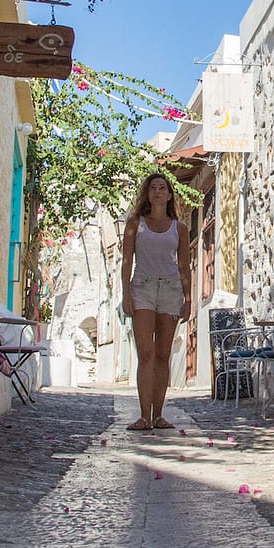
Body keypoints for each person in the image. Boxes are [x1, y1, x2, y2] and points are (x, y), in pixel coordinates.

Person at [120, 172, 191, 430]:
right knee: (146, 354)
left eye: (163, 188)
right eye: (153, 188)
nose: (158, 192)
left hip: (171, 290)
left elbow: (184, 264)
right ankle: (143, 416)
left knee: (162, 354)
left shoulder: (179, 228)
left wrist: (189, 298)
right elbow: (127, 260)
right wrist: (126, 294)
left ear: (170, 194)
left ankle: (159, 415)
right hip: (143, 288)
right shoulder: (135, 223)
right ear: (147, 194)